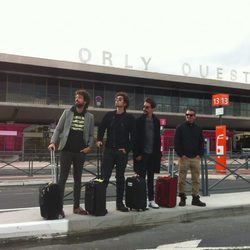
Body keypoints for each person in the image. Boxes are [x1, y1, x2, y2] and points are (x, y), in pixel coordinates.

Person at [48, 89, 94, 217]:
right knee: (62, 179)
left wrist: (89, 147)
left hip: (80, 152)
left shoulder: (90, 117)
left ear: (84, 101)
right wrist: (53, 142)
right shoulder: (67, 112)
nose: (76, 99)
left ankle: (76, 207)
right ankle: (59, 207)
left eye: (79, 98)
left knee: (78, 180)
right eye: (76, 97)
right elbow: (58, 129)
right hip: (66, 151)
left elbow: (91, 135)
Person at [96, 92, 135, 212]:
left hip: (121, 153)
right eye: (116, 99)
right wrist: (99, 140)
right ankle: (100, 203)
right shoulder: (109, 115)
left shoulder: (130, 118)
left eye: (120, 99)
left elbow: (133, 136)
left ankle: (119, 203)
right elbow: (101, 128)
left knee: (120, 178)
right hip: (108, 151)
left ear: (125, 103)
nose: (117, 101)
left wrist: (127, 149)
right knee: (104, 177)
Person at [174, 108, 206, 207]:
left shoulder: (198, 128)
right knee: (181, 179)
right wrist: (181, 154)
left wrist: (199, 155)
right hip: (184, 158)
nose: (189, 116)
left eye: (191, 115)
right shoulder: (180, 127)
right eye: (187, 114)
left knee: (196, 179)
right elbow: (176, 142)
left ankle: (195, 198)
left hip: (195, 158)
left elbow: (201, 143)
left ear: (195, 117)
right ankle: (182, 198)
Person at [133, 98, 162, 209]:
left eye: (147, 107)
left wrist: (159, 154)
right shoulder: (138, 121)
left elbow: (158, 139)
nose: (144, 109)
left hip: (152, 155)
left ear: (152, 109)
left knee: (150, 178)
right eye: (144, 107)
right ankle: (141, 200)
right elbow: (135, 140)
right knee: (141, 179)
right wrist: (137, 155)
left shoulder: (156, 121)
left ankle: (151, 200)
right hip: (142, 155)